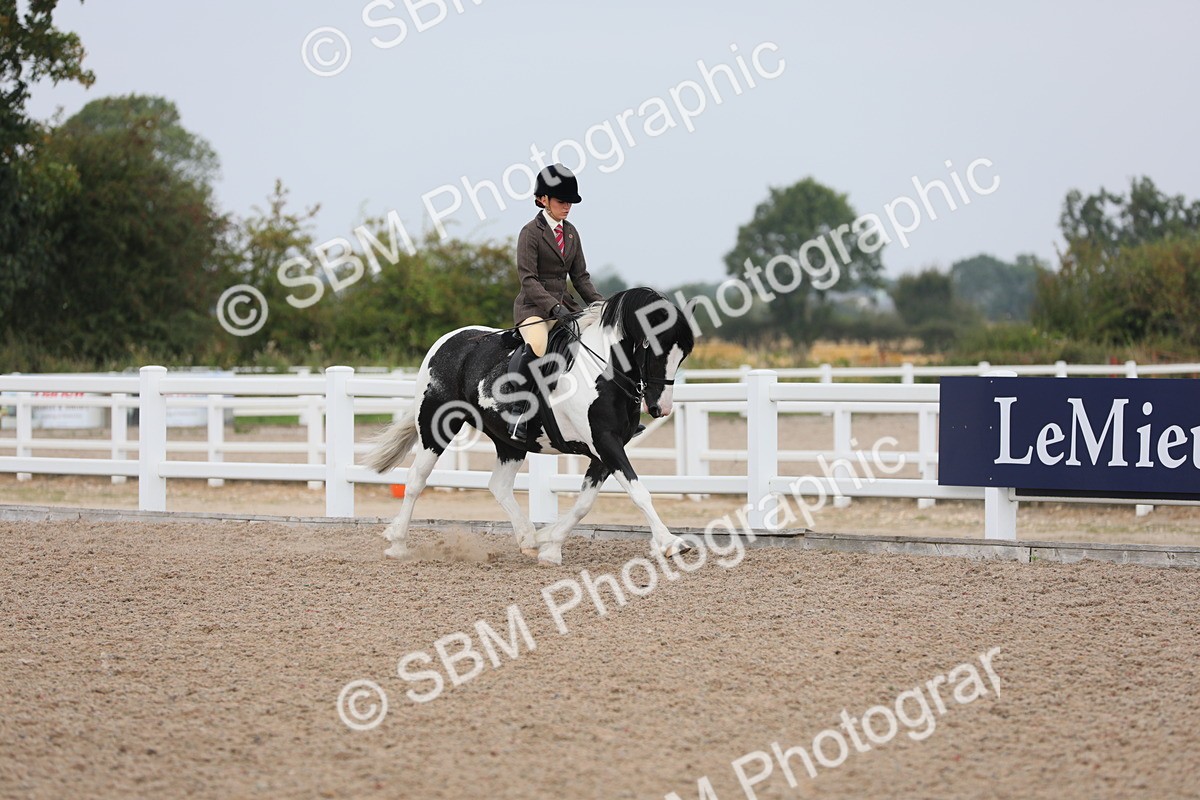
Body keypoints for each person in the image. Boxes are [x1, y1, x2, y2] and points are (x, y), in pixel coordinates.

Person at [507, 163, 604, 441]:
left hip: (565, 308)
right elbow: (528, 279)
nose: (567, 206)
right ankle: (517, 411)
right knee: (538, 345)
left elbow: (580, 277)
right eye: (562, 201)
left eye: (570, 202)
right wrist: (553, 307)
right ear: (543, 199)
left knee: (594, 342)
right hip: (534, 309)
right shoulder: (530, 233)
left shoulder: (571, 232)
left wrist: (601, 305)